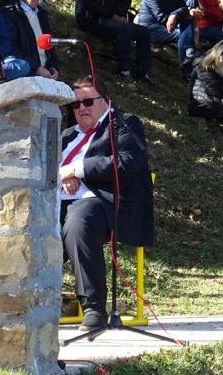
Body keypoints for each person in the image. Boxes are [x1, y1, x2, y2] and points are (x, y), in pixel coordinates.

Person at [60, 76, 154, 331]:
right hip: (58, 204)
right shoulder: (67, 135)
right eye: (75, 104)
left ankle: (94, 309)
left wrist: (76, 170)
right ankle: (34, 305)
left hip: (103, 204)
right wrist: (63, 176)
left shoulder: (122, 125)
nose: (81, 108)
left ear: (106, 101)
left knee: (79, 220)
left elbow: (127, 162)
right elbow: (47, 169)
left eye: (88, 101)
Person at [75, 0, 153, 84]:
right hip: (89, 19)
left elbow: (113, 1)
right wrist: (112, 16)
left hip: (105, 18)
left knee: (143, 32)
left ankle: (143, 73)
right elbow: (88, 1)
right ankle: (124, 70)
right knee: (124, 29)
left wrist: (122, 16)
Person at [135, 0, 197, 67]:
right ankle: (187, 67)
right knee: (184, 34)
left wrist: (174, 15)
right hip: (150, 29)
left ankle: (189, 63)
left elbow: (184, 8)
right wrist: (177, 15)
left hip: (165, 25)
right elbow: (161, 17)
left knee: (187, 23)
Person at [2, 0, 60, 80]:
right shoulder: (10, 14)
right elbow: (11, 48)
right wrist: (35, 68)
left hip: (47, 72)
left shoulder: (42, 14)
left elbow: (49, 44)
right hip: (26, 73)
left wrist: (54, 67)